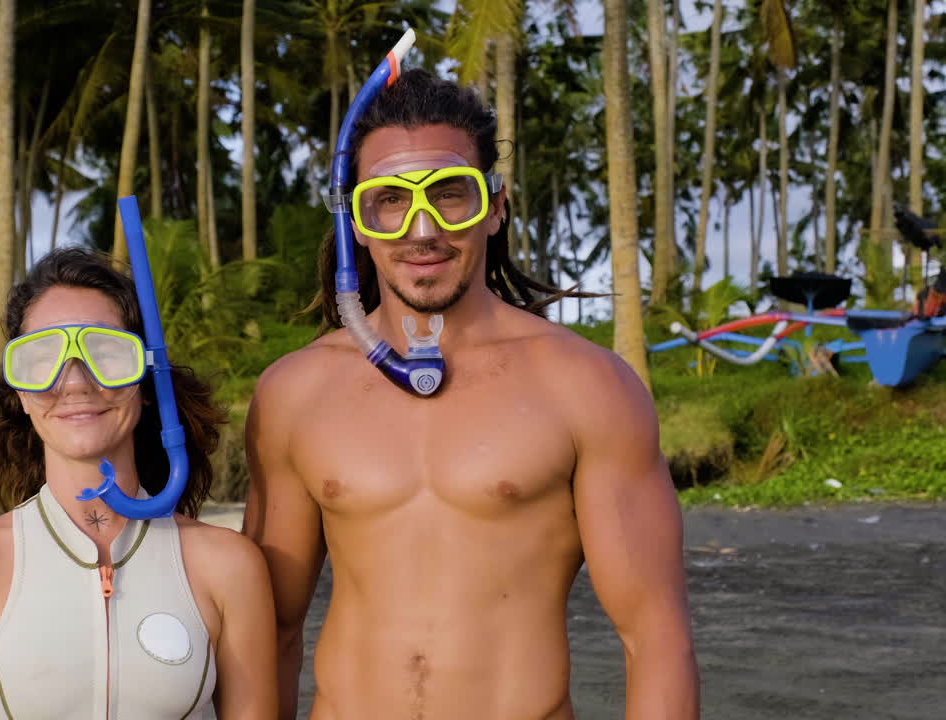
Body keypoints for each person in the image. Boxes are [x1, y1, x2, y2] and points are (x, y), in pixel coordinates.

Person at [242, 67, 699, 719]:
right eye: (391, 200)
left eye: (449, 194)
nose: (421, 229)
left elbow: (654, 637)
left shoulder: (585, 385)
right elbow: (271, 634)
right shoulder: (295, 392)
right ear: (358, 222)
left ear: (496, 207)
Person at [0, 248, 276, 719]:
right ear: (22, 395)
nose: (74, 383)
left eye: (106, 354)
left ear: (147, 383)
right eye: (42, 359)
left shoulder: (228, 567)